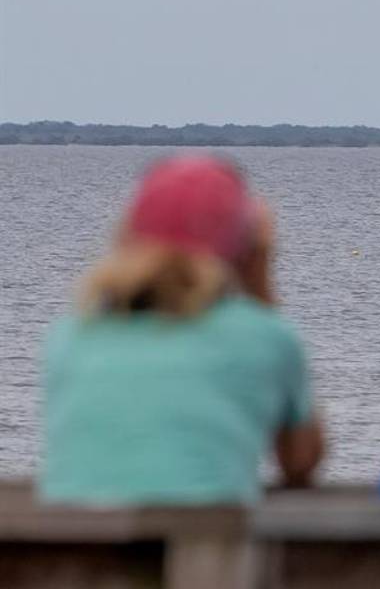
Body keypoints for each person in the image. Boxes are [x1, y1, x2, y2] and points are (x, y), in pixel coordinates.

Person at [39, 154, 324, 505]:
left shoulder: (71, 336)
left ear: (129, 235)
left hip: (76, 555)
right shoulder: (262, 336)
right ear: (244, 246)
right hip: (206, 556)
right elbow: (301, 461)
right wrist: (259, 285)